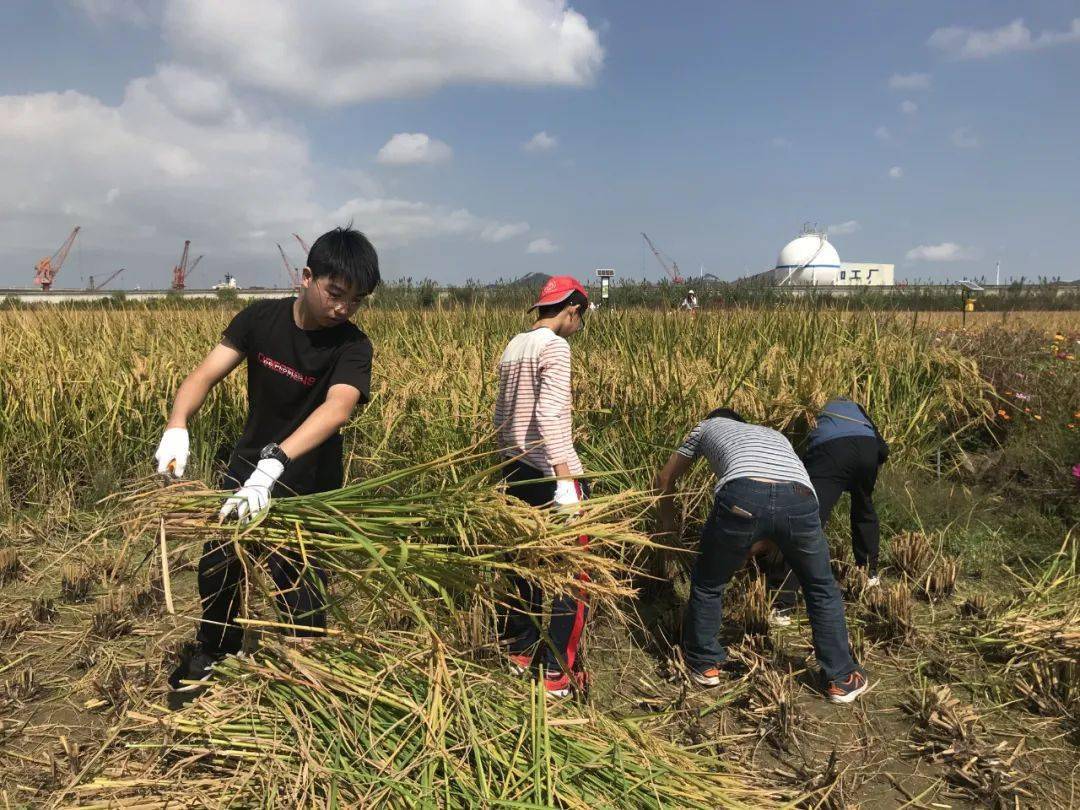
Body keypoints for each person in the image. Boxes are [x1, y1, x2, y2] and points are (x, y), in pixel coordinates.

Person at [154, 226, 380, 692]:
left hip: (307, 481)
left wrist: (275, 464)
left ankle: (307, 666)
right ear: (306, 276)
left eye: (355, 300)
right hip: (244, 469)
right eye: (336, 293)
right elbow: (204, 375)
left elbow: (336, 408)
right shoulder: (259, 320)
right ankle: (217, 648)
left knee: (298, 579)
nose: (343, 308)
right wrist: (177, 423)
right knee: (218, 564)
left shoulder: (353, 346)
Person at [654, 408, 869, 704]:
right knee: (820, 586)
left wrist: (667, 522)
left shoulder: (705, 427)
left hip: (742, 492)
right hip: (801, 497)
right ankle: (842, 678)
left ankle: (704, 663)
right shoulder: (773, 434)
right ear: (742, 423)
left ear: (717, 419)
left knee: (708, 582)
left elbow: (665, 479)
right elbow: (775, 504)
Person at [493, 275, 590, 697]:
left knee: (526, 564)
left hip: (517, 471)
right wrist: (566, 482)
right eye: (579, 319)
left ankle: (519, 650)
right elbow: (551, 417)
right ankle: (556, 673)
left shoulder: (515, 345)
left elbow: (500, 416)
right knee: (575, 573)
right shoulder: (556, 346)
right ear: (572, 310)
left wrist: (506, 463)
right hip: (551, 475)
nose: (577, 327)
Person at [767, 397, 889, 621]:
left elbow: (798, 452)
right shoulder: (855, 407)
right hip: (866, 448)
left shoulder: (805, 407)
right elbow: (883, 449)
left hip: (831, 451)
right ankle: (870, 577)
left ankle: (783, 603)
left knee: (809, 520)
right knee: (864, 510)